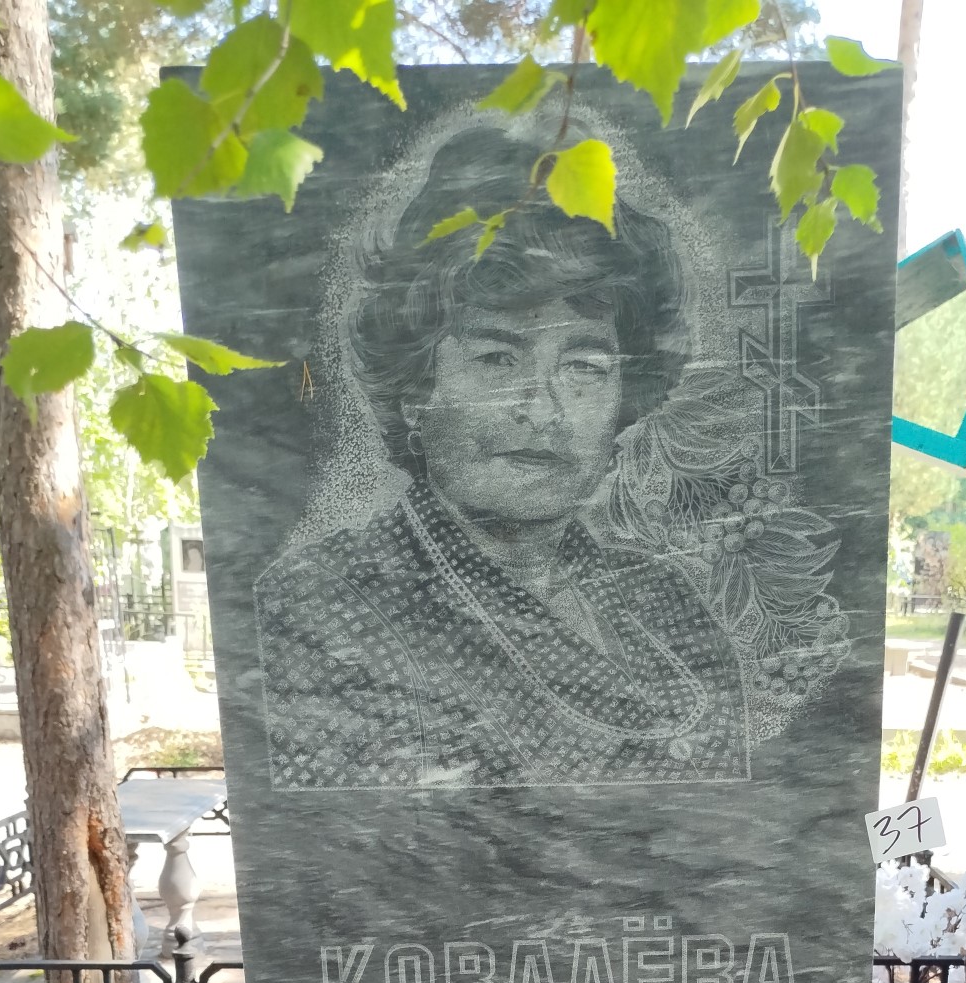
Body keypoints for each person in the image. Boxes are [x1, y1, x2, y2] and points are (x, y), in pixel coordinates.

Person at [255, 128, 750, 790]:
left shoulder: (661, 599)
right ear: (414, 391)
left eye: (584, 366)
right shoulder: (320, 605)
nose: (543, 410)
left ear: (623, 400)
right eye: (497, 359)